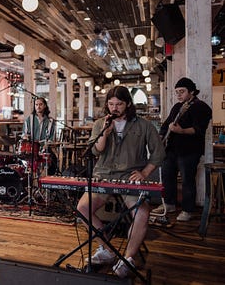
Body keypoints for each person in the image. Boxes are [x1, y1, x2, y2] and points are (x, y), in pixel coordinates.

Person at [76, 86, 165, 278]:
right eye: (110, 104)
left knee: (142, 212)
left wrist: (145, 172)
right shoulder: (101, 123)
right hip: (103, 174)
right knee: (83, 208)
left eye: (119, 104)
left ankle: (129, 258)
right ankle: (107, 249)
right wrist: (106, 133)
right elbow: (96, 151)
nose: (114, 108)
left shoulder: (144, 125)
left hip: (129, 176)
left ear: (128, 104)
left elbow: (158, 153)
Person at [152, 78, 212, 222]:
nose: (179, 95)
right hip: (172, 149)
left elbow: (199, 130)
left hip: (190, 151)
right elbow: (167, 124)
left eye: (182, 92)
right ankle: (169, 204)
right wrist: (161, 137)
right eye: (177, 92)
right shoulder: (177, 106)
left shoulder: (201, 107)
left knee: (187, 180)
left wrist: (181, 131)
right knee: (167, 176)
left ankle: (188, 209)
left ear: (191, 91)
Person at [21, 97, 57, 175]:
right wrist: (26, 137)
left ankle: (48, 180)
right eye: (36, 104)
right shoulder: (29, 119)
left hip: (45, 148)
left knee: (54, 160)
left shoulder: (50, 121)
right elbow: (24, 134)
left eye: (40, 104)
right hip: (31, 148)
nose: (38, 106)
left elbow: (51, 138)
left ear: (45, 106)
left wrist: (46, 146)